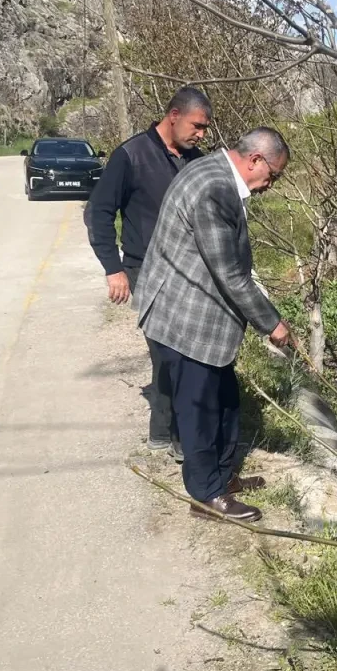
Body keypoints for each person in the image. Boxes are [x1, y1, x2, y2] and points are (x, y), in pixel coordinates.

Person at [134, 127, 295, 522]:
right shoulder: (214, 189)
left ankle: (223, 476)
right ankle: (206, 494)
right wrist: (272, 324)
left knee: (225, 400)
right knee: (200, 409)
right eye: (272, 175)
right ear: (255, 160)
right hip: (186, 317)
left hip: (196, 312)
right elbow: (229, 273)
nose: (270, 185)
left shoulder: (214, 172)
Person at [87, 87, 213, 458]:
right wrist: (114, 269)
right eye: (197, 126)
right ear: (173, 115)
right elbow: (98, 212)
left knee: (179, 353)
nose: (201, 135)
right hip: (145, 270)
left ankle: (165, 431)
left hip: (188, 272)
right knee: (169, 352)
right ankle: (177, 438)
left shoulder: (194, 160)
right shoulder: (131, 156)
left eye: (205, 129)